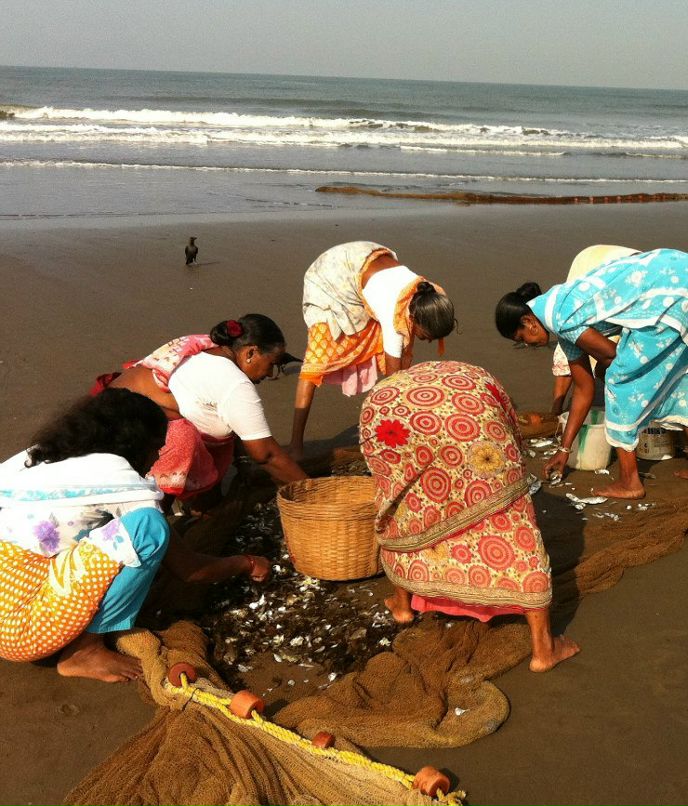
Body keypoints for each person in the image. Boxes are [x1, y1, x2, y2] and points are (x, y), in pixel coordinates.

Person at [0, 390, 270, 683]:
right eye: (156, 447)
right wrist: (247, 563)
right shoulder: (121, 480)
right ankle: (85, 651)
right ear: (136, 445)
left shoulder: (40, 454)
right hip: (19, 632)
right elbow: (189, 569)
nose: (157, 457)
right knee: (149, 527)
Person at [359, 361, 579, 672]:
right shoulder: (482, 383)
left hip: (389, 416)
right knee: (512, 521)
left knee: (404, 506)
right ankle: (544, 649)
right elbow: (511, 432)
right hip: (471, 424)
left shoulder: (387, 391)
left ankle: (402, 606)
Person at [495, 248, 688, 499]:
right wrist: (564, 449)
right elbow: (584, 389)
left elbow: (611, 356)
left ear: (528, 321)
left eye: (521, 338)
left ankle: (630, 482)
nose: (527, 345)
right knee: (687, 377)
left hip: (670, 291)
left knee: (618, 381)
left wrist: (605, 370)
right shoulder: (557, 307)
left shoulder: (559, 317)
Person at [101, 315, 307, 505]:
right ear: (250, 352)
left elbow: (236, 424)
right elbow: (266, 454)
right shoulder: (234, 382)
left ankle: (196, 499)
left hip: (104, 415)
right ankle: (155, 508)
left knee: (215, 435)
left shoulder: (205, 348)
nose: (270, 374)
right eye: (271, 364)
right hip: (123, 438)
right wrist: (311, 490)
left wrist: (243, 464)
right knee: (184, 437)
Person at [290, 242, 456, 460]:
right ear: (414, 318)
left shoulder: (431, 296)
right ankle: (295, 446)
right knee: (315, 363)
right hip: (330, 276)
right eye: (427, 336)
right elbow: (394, 382)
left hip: (363, 259)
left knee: (399, 353)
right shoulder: (393, 312)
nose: (428, 341)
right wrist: (400, 427)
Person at [546, 245, 638, 415]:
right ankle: (556, 411)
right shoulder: (576, 300)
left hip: (618, 294)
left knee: (613, 362)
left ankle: (625, 406)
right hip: (595, 291)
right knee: (568, 352)